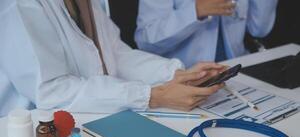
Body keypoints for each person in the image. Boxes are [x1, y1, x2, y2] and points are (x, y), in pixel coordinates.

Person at [0, 0, 224, 117]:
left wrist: (177, 74)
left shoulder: (87, 2)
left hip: (89, 117)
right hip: (31, 134)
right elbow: (51, 91)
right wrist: (153, 95)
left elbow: (115, 55)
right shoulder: (20, 3)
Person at [135, 0, 278, 67]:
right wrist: (195, 12)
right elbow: (145, 41)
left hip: (237, 70)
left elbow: (259, 30)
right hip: (184, 77)